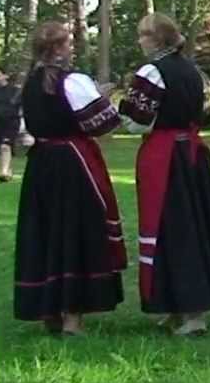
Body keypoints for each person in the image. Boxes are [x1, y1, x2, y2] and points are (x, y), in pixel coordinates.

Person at [118, 13, 210, 336]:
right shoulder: (192, 70)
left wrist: (120, 108)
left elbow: (137, 120)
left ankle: (190, 312)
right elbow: (207, 112)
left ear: (157, 39)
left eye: (143, 35)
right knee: (194, 225)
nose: (140, 41)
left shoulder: (151, 72)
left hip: (165, 157)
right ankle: (177, 307)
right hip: (192, 156)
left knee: (172, 229)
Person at [13, 22, 127, 336]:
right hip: (73, 162)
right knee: (76, 231)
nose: (72, 48)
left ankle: (50, 311)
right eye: (68, 43)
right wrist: (102, 96)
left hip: (41, 164)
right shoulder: (73, 81)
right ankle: (74, 318)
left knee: (47, 232)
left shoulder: (30, 82)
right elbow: (105, 123)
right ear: (59, 48)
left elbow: (27, 127)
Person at [0, 70, 22, 182]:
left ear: (5, 76)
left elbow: (21, 106)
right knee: (0, 148)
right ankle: (7, 169)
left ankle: (4, 172)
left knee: (5, 146)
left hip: (11, 123)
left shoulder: (14, 90)